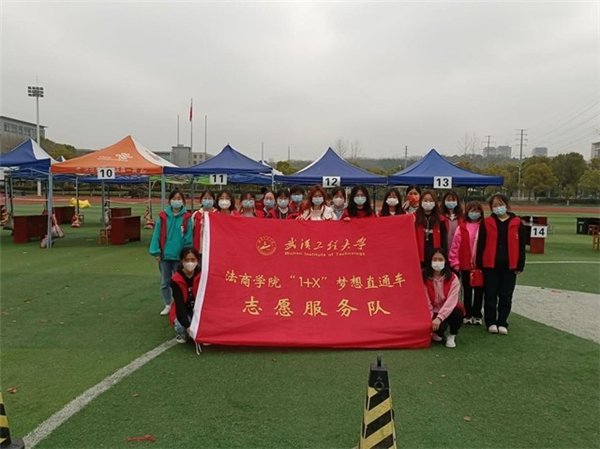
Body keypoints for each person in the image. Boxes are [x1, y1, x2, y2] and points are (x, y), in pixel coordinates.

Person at [476, 194, 526, 335]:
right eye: (495, 205)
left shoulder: (517, 223)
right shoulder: (487, 222)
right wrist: (479, 264)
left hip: (509, 266)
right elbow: (481, 244)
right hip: (490, 265)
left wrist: (520, 265)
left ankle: (502, 321)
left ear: (507, 205)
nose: (498, 207)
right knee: (490, 295)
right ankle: (490, 322)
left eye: (500, 204)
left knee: (506, 295)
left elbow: (521, 246)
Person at [149, 189, 193, 316]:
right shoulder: (163, 216)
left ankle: (180, 303)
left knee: (179, 282)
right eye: (174, 198)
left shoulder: (186, 217)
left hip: (179, 257)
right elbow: (157, 235)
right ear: (170, 201)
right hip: (165, 256)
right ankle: (167, 304)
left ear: (183, 201)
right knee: (165, 282)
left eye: (179, 199)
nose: (176, 201)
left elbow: (188, 238)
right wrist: (156, 252)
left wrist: (186, 255)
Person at [449, 201, 485, 325]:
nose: (475, 213)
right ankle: (467, 313)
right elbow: (455, 246)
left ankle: (477, 314)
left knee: (479, 291)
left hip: (480, 265)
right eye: (472, 210)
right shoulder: (462, 227)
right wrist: (455, 262)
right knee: (467, 290)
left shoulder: (484, 226)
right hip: (465, 264)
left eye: (477, 211)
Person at [423, 247, 463, 348]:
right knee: (440, 329)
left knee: (458, 312)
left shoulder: (453, 278)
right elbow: (426, 301)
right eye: (435, 259)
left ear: (445, 261)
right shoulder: (424, 278)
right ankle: (438, 332)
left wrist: (440, 318)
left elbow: (451, 301)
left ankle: (452, 335)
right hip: (432, 311)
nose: (437, 262)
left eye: (440, 259)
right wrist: (431, 319)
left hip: (447, 311)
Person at [170, 247, 201, 344]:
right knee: (182, 327)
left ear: (197, 260)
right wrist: (187, 326)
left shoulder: (202, 275)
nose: (190, 263)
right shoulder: (176, 279)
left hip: (198, 309)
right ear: (181, 261)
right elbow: (179, 305)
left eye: (193, 260)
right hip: (183, 309)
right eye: (187, 260)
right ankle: (180, 333)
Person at [415, 190, 448, 267]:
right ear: (420, 202)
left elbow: (444, 242)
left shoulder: (441, 220)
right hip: (418, 258)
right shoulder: (414, 218)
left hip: (435, 259)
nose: (428, 203)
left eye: (431, 200)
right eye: (425, 200)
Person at [191, 189, 216, 256]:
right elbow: (191, 232)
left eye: (209, 198)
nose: (207, 200)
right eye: (205, 198)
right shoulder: (196, 215)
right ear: (201, 200)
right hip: (198, 251)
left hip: (213, 250)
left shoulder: (218, 215)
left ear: (214, 201)